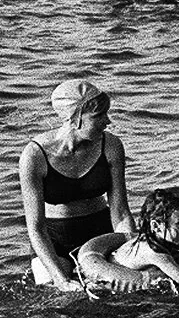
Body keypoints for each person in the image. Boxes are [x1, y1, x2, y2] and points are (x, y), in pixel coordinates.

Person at [20, 79, 132, 290]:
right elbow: (35, 228)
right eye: (99, 116)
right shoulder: (34, 156)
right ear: (75, 119)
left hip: (101, 234)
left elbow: (121, 212)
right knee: (58, 295)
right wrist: (60, 278)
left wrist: (130, 250)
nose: (107, 122)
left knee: (121, 292)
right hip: (55, 240)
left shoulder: (111, 146)